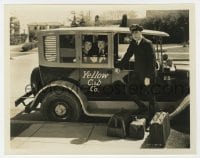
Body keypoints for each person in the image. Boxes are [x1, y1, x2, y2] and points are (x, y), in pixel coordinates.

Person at [118, 24, 157, 120]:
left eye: (136, 32)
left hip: (148, 75)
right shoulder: (133, 43)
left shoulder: (148, 43)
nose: (134, 35)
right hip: (137, 74)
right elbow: (127, 55)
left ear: (140, 32)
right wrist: (119, 66)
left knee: (150, 96)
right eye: (132, 33)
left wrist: (148, 77)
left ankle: (151, 119)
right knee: (128, 90)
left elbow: (152, 61)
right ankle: (143, 107)